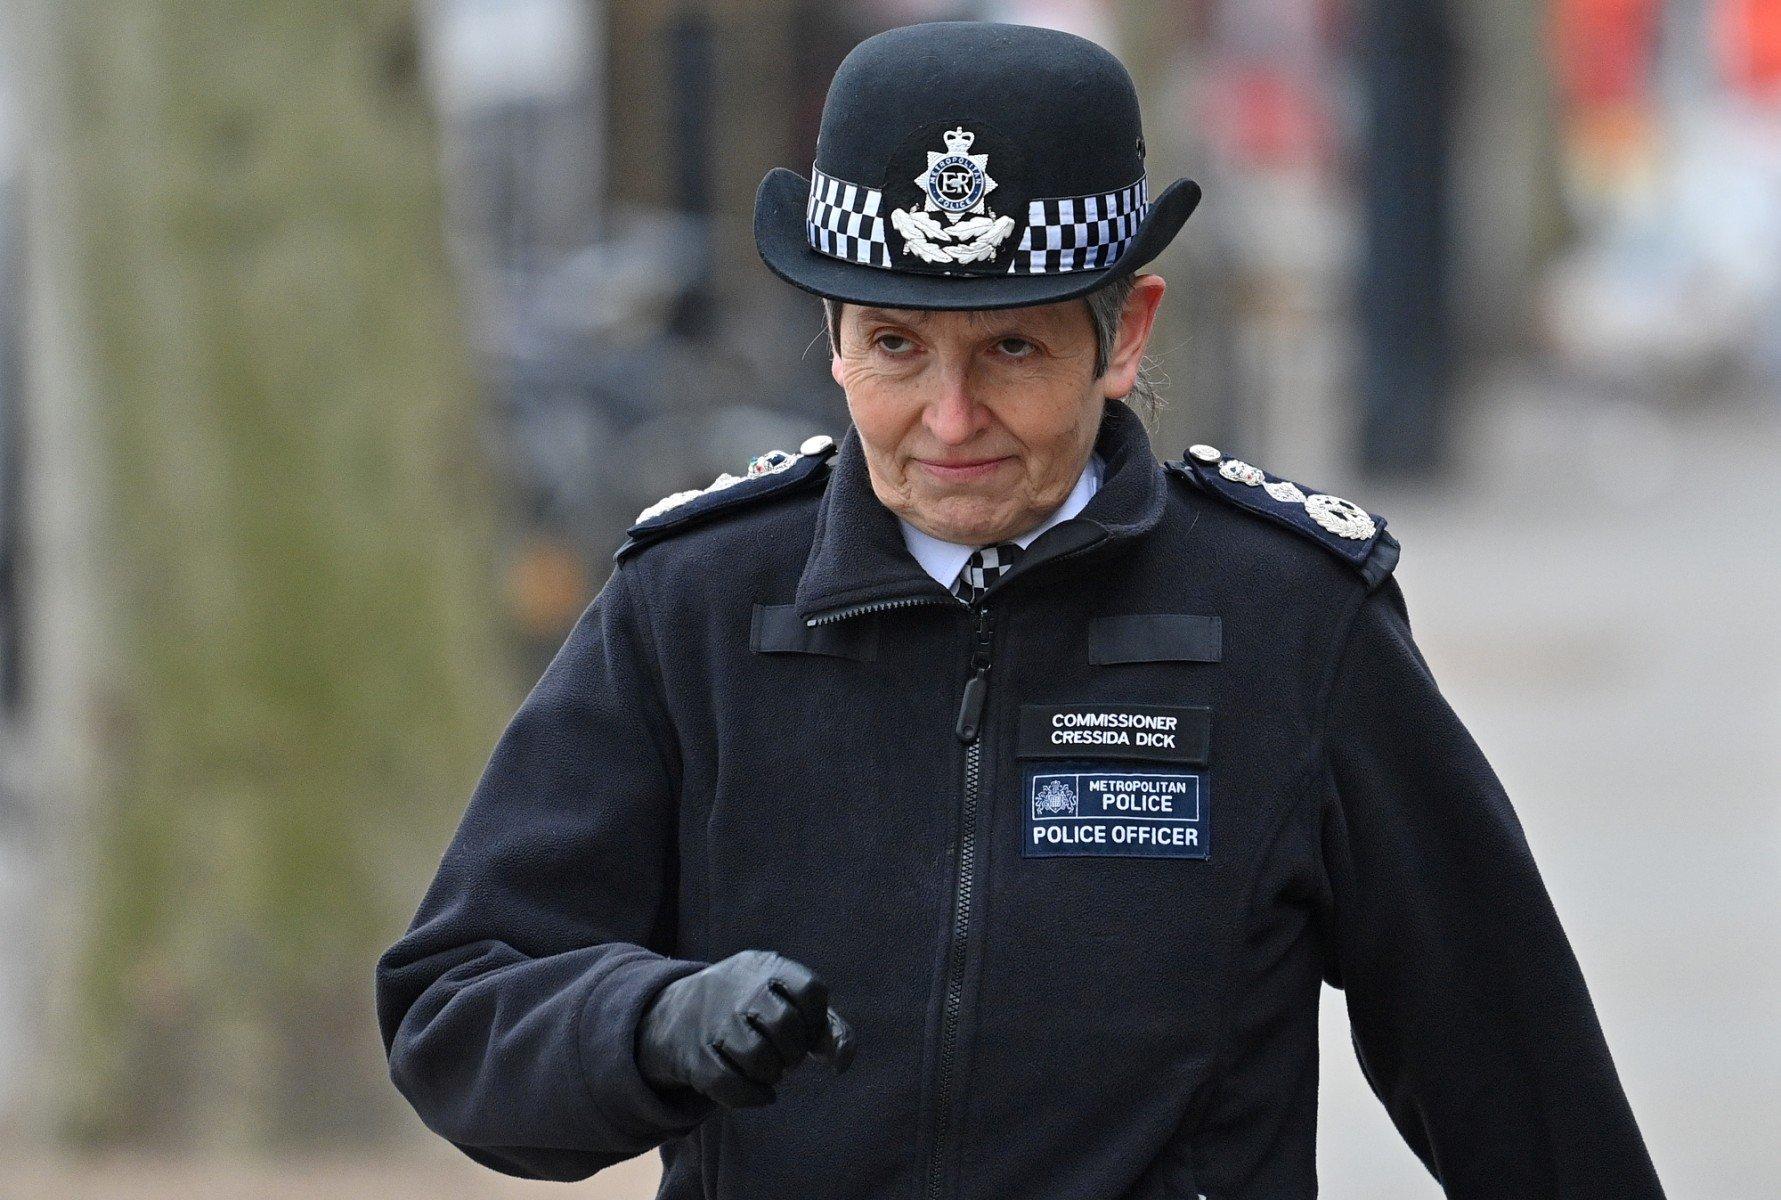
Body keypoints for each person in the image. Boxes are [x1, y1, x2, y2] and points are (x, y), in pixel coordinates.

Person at [375, 20, 1669, 1200]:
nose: (948, 421)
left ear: (1125, 336)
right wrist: (649, 1022)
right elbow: (458, 1008)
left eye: (1010, 349)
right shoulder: (693, 603)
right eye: (893, 346)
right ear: (832, 336)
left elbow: (1507, 1063)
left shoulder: (1288, 617)